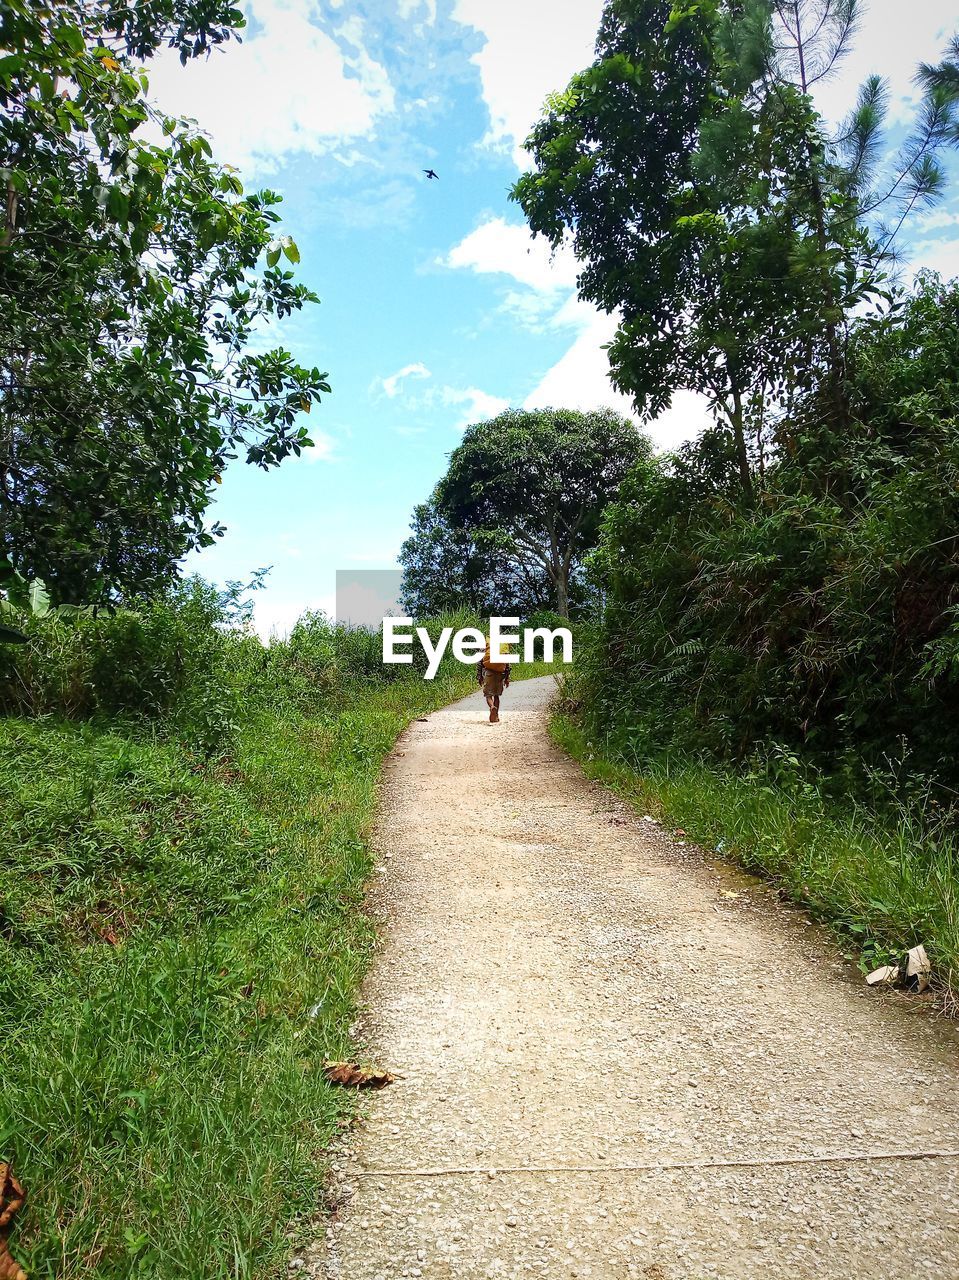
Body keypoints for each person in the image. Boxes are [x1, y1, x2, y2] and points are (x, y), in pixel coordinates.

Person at [477, 640, 510, 723]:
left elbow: (480, 662)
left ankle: (492, 707)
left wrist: (479, 676)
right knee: (496, 695)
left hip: (488, 672)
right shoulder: (503, 644)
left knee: (488, 695)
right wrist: (507, 677)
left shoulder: (486, 643)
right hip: (500, 672)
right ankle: (496, 715)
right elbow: (507, 663)